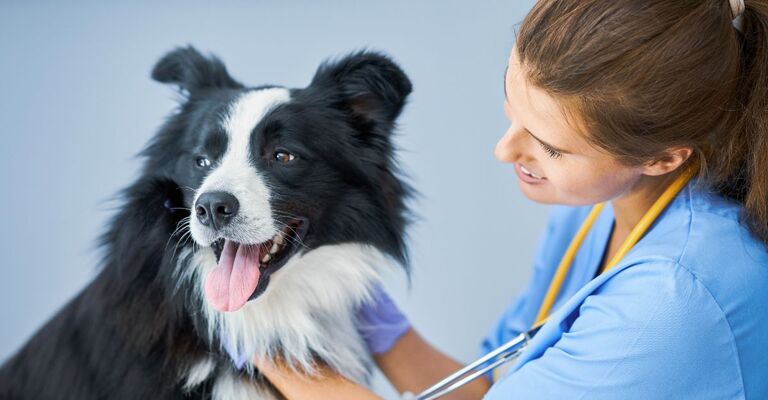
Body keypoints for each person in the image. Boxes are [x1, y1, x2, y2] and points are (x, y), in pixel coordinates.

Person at [254, 0, 768, 398]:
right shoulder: (593, 215)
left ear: (662, 158)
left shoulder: (674, 304)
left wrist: (252, 339)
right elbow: (496, 387)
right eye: (512, 105)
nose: (504, 150)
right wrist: (367, 311)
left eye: (551, 147)